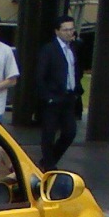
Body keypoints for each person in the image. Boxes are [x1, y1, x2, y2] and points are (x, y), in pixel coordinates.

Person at [36, 15, 83, 171]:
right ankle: (49, 166)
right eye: (65, 30)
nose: (69, 33)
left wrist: (77, 91)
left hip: (68, 97)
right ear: (57, 31)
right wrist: (47, 97)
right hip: (53, 98)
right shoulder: (49, 50)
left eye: (71, 29)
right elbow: (40, 75)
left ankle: (48, 161)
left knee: (70, 132)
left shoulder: (73, 48)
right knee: (48, 134)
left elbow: (75, 71)